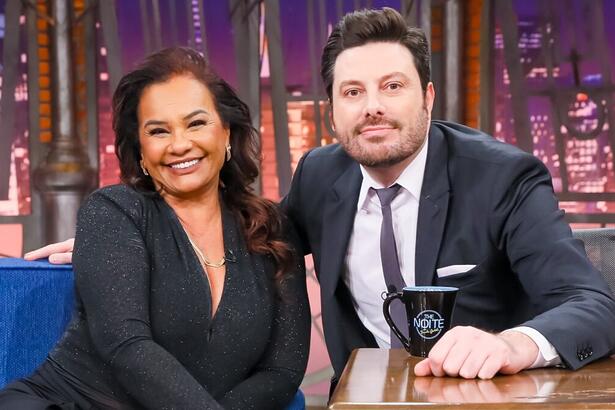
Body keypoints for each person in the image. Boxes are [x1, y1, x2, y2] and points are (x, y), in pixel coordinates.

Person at [28, 6, 615, 390]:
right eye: (352, 91)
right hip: (363, 397)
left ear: (428, 96)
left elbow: (594, 305)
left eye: (393, 86)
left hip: (488, 397)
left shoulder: (503, 179)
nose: (373, 107)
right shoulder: (322, 174)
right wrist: (128, 238)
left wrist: (511, 344)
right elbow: (250, 232)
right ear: (331, 110)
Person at [6, 47, 310, 410]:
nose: (180, 145)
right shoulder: (114, 211)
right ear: (141, 151)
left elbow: (282, 370)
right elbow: (126, 346)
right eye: (158, 131)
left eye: (196, 123)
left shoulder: (272, 230)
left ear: (226, 132)